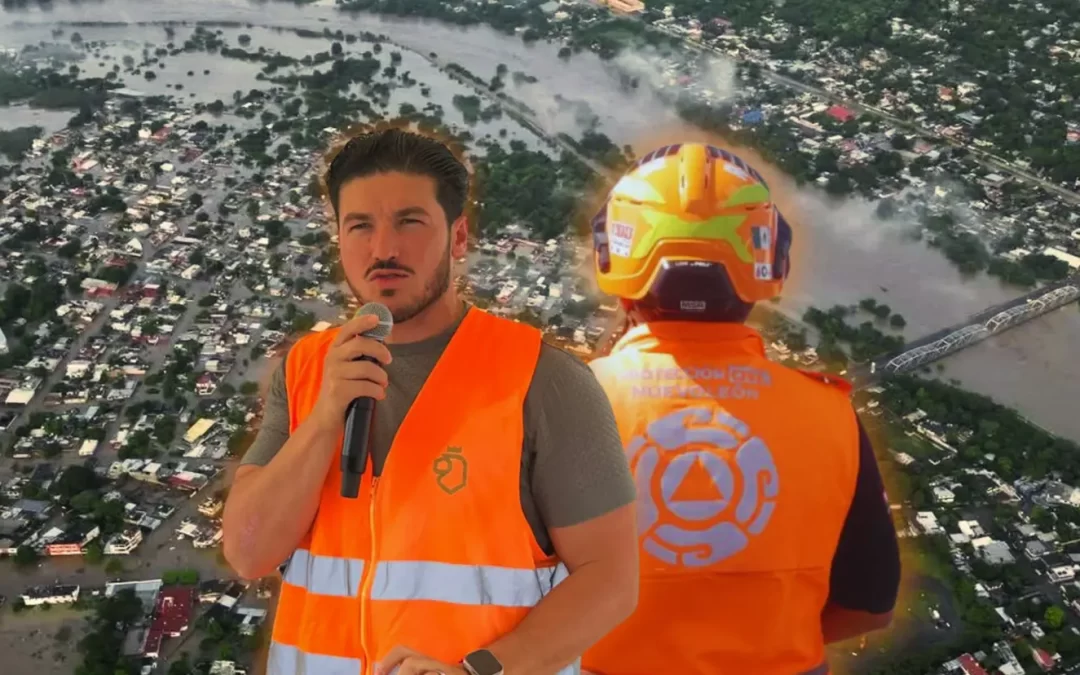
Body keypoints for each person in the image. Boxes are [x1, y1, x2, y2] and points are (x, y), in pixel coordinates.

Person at [222, 128, 640, 675]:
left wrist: (484, 670)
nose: (383, 250)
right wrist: (325, 418)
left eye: (409, 222)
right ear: (340, 240)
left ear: (458, 237)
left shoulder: (541, 379)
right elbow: (248, 552)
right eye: (361, 226)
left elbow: (609, 579)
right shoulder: (307, 370)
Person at [580, 143, 901, 675]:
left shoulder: (547, 407)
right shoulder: (829, 418)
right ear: (769, 261)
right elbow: (869, 604)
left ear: (614, 256)